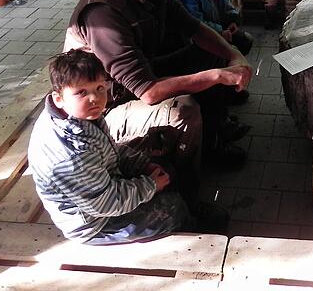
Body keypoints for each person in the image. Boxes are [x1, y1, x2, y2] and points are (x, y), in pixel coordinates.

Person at [64, 0, 253, 170]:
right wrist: (217, 76)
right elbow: (148, 91)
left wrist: (233, 55)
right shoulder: (103, 12)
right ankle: (189, 196)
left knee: (210, 53)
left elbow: (193, 27)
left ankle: (213, 138)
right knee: (185, 110)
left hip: (140, 71)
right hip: (102, 107)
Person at [28, 50, 213, 245]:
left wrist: (143, 165)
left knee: (164, 168)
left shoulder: (79, 115)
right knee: (172, 209)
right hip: (96, 223)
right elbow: (106, 203)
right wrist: (150, 186)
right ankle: (194, 229)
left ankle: (186, 206)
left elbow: (108, 148)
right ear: (59, 98)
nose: (95, 98)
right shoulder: (69, 156)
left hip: (102, 185)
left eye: (99, 88)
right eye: (81, 92)